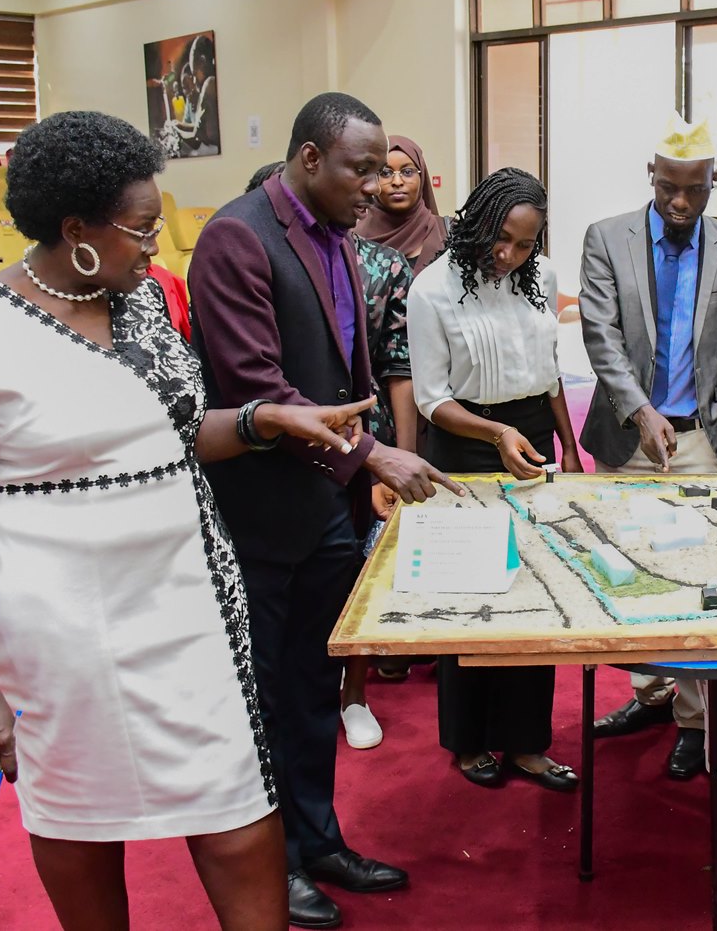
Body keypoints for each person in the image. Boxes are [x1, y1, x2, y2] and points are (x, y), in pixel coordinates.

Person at [0, 110, 381, 931]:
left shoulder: (140, 307)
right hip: (66, 627)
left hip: (188, 603)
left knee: (239, 810)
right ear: (75, 230)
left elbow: (178, 432)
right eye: (139, 229)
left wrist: (270, 419)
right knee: (80, 820)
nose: (155, 245)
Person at [189, 92, 459, 930]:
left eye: (383, 169)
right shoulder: (237, 236)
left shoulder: (339, 236)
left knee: (312, 690)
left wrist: (363, 458)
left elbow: (351, 374)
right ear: (309, 158)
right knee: (265, 699)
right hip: (263, 516)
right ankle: (273, 866)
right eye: (361, 168)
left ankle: (319, 838)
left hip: (328, 509)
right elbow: (255, 390)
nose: (377, 185)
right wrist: (371, 453)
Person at [577, 113, 717, 780]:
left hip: (698, 440)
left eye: (695, 190)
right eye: (669, 189)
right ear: (651, 177)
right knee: (628, 570)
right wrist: (639, 411)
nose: (681, 203)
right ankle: (650, 692)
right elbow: (600, 336)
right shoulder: (607, 238)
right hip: (627, 438)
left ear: (715, 181)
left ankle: (695, 719)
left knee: (693, 580)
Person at [407, 166, 584, 793]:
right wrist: (495, 434)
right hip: (465, 444)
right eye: (500, 239)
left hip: (531, 434)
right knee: (474, 594)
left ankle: (528, 743)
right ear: (477, 222)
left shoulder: (543, 278)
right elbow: (431, 399)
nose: (508, 256)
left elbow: (550, 370)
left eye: (524, 244)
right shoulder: (432, 290)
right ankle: (470, 738)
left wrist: (566, 442)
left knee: (539, 592)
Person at [336, 174, 423, 749]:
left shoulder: (382, 266)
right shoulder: (251, 257)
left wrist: (396, 457)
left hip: (368, 442)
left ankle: (353, 695)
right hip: (280, 443)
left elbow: (398, 366)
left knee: (359, 569)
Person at [354, 134, 448, 273]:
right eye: (386, 173)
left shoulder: (449, 233)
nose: (397, 182)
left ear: (421, 177)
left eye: (407, 172)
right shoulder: (353, 240)